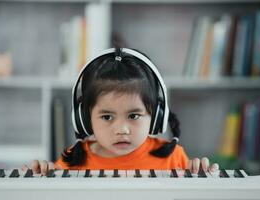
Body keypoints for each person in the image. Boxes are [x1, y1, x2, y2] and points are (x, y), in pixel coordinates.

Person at [22, 48, 218, 175]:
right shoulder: (73, 160)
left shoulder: (174, 158)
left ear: (156, 116)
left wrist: (202, 178)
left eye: (134, 115)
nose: (121, 130)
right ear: (85, 117)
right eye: (107, 117)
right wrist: (43, 177)